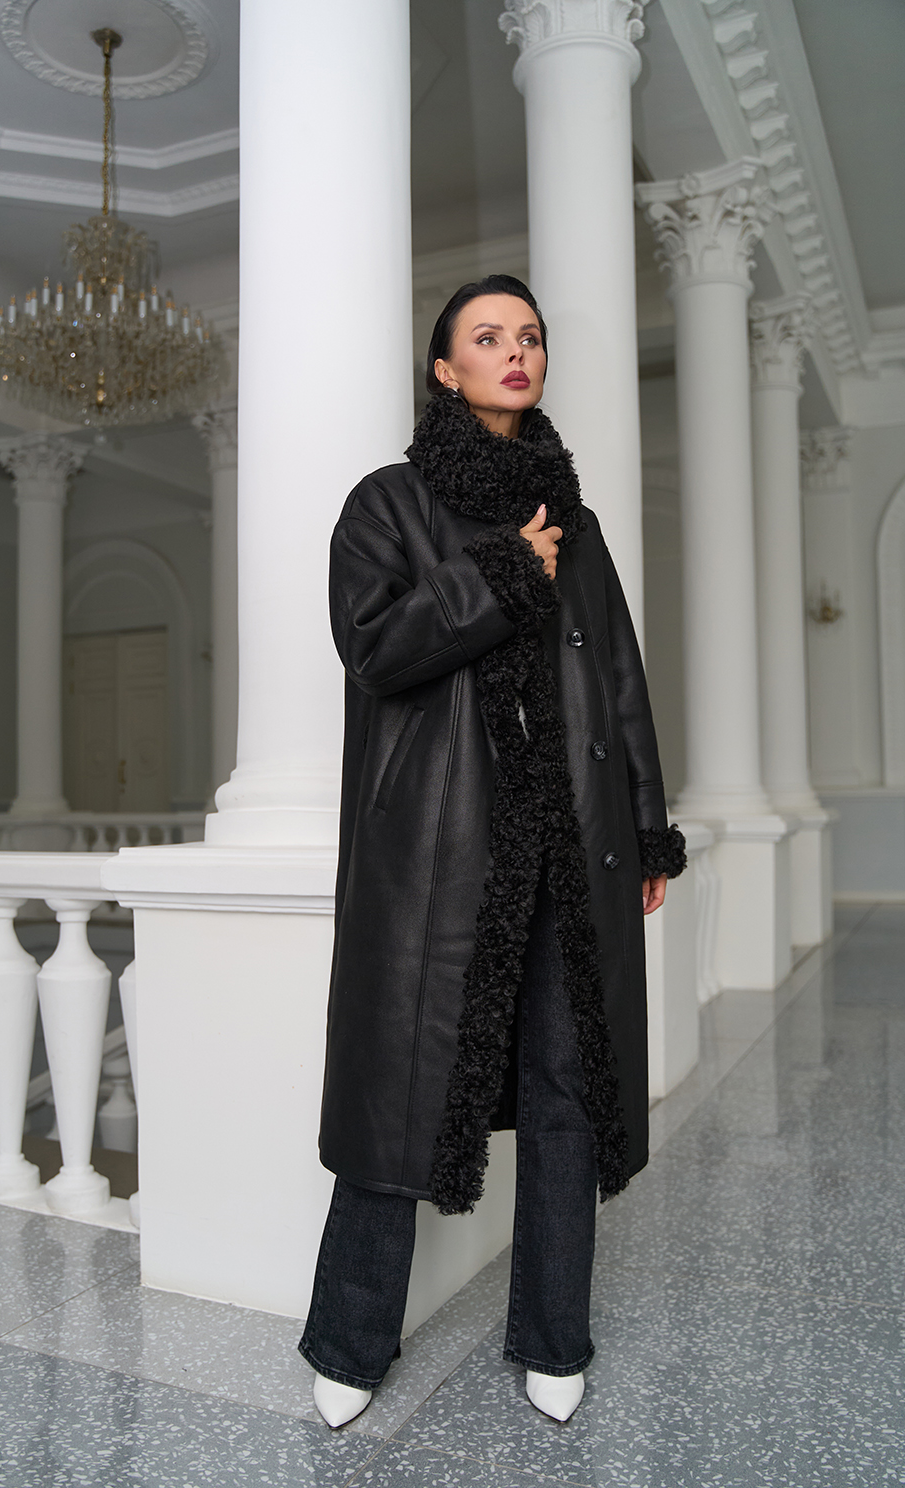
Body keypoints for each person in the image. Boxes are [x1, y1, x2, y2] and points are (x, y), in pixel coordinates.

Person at [299, 275, 686, 1428]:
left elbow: (618, 687)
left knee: (567, 1089)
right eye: (486, 336)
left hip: (570, 851)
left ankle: (553, 1339)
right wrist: (504, 573)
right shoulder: (386, 505)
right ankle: (348, 1344)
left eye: (528, 336)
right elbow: (375, 650)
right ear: (444, 368)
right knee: (400, 1097)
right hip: (437, 858)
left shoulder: (576, 520)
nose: (514, 351)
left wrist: (645, 826)